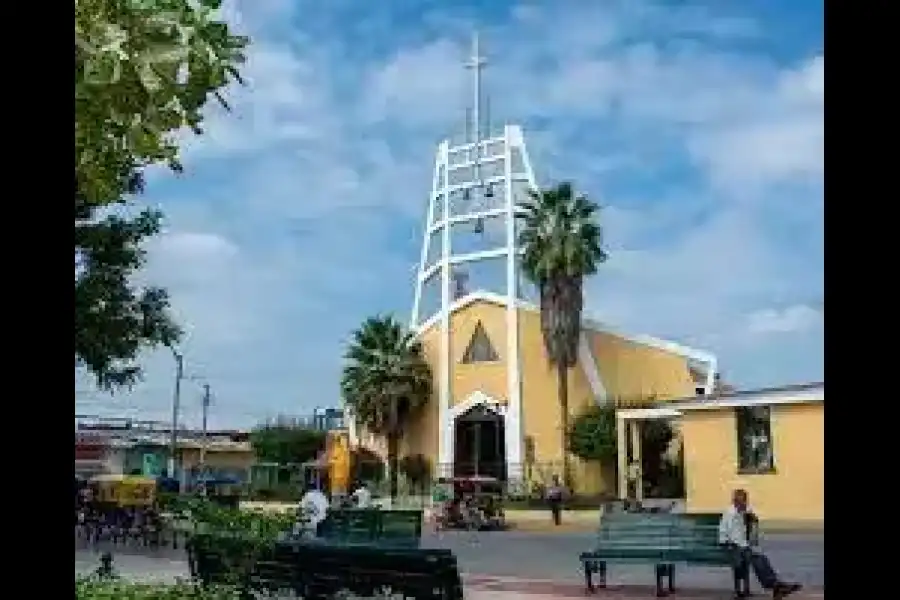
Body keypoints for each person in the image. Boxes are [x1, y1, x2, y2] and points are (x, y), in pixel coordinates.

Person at [718, 489, 802, 599]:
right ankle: (776, 587)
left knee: (761, 559)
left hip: (743, 547)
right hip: (732, 547)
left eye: (745, 501)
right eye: (741, 501)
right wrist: (729, 544)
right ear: (734, 501)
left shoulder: (745, 511)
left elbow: (754, 522)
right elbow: (723, 532)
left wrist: (753, 519)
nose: (744, 504)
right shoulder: (729, 514)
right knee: (751, 560)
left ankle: (776, 585)